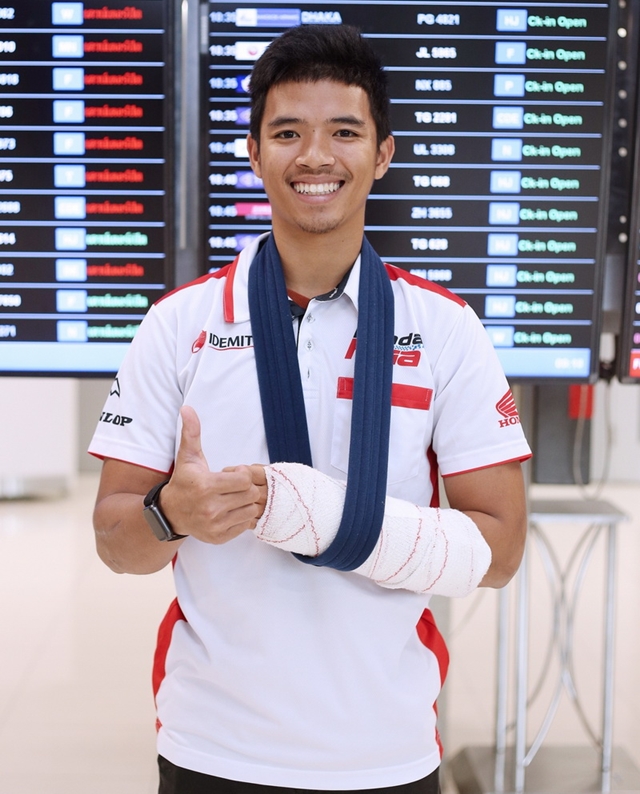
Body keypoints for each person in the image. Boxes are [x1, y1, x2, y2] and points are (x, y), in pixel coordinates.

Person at [90, 24, 531, 794]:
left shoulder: (445, 328)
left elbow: (500, 553)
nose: (316, 156)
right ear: (255, 152)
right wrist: (169, 514)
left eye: (344, 133)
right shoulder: (178, 324)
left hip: (388, 752)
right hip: (212, 749)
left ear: (382, 154)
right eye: (288, 132)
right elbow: (115, 541)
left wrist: (326, 515)